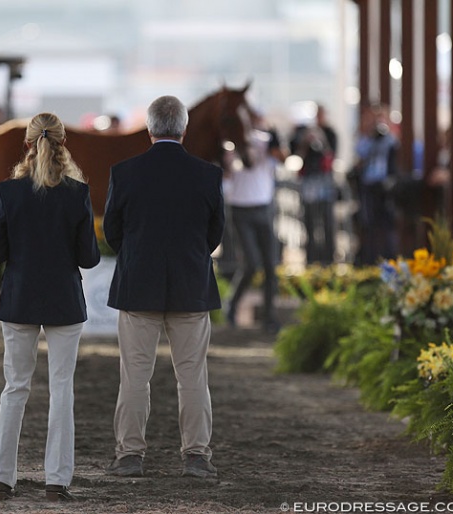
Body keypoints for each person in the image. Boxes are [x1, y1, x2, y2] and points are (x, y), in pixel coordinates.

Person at [103, 95, 224, 479]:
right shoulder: (207, 174)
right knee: (192, 376)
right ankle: (196, 456)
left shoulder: (125, 172)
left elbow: (112, 231)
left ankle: (130, 456)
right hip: (191, 285)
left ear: (150, 129)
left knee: (135, 376)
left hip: (139, 285)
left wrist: (137, 256)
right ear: (184, 129)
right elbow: (214, 233)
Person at [0, 112, 100, 502]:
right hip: (64, 300)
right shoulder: (77, 194)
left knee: (14, 388)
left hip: (19, 298)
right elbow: (88, 258)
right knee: (61, 389)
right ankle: (57, 480)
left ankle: (2, 476)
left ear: (27, 145)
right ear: (63, 144)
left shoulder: (7, 192)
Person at [223, 107, 283, 333]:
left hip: (262, 206)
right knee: (251, 263)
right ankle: (232, 306)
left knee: (270, 263)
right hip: (240, 208)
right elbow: (227, 172)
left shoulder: (266, 142)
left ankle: (269, 316)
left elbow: (281, 158)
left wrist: (273, 138)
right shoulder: (232, 144)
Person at [289, 104, 338, 265]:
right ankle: (311, 259)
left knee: (327, 224)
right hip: (309, 184)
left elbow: (331, 154)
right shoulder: (303, 133)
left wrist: (321, 139)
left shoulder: (330, 133)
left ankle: (329, 260)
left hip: (325, 185)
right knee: (309, 223)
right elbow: (296, 153)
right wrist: (305, 140)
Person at [351, 103, 399, 265]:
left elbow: (395, 149)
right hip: (368, 187)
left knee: (386, 226)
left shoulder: (390, 140)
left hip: (385, 189)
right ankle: (370, 259)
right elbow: (360, 154)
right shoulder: (368, 140)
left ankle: (388, 258)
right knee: (369, 224)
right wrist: (369, 134)